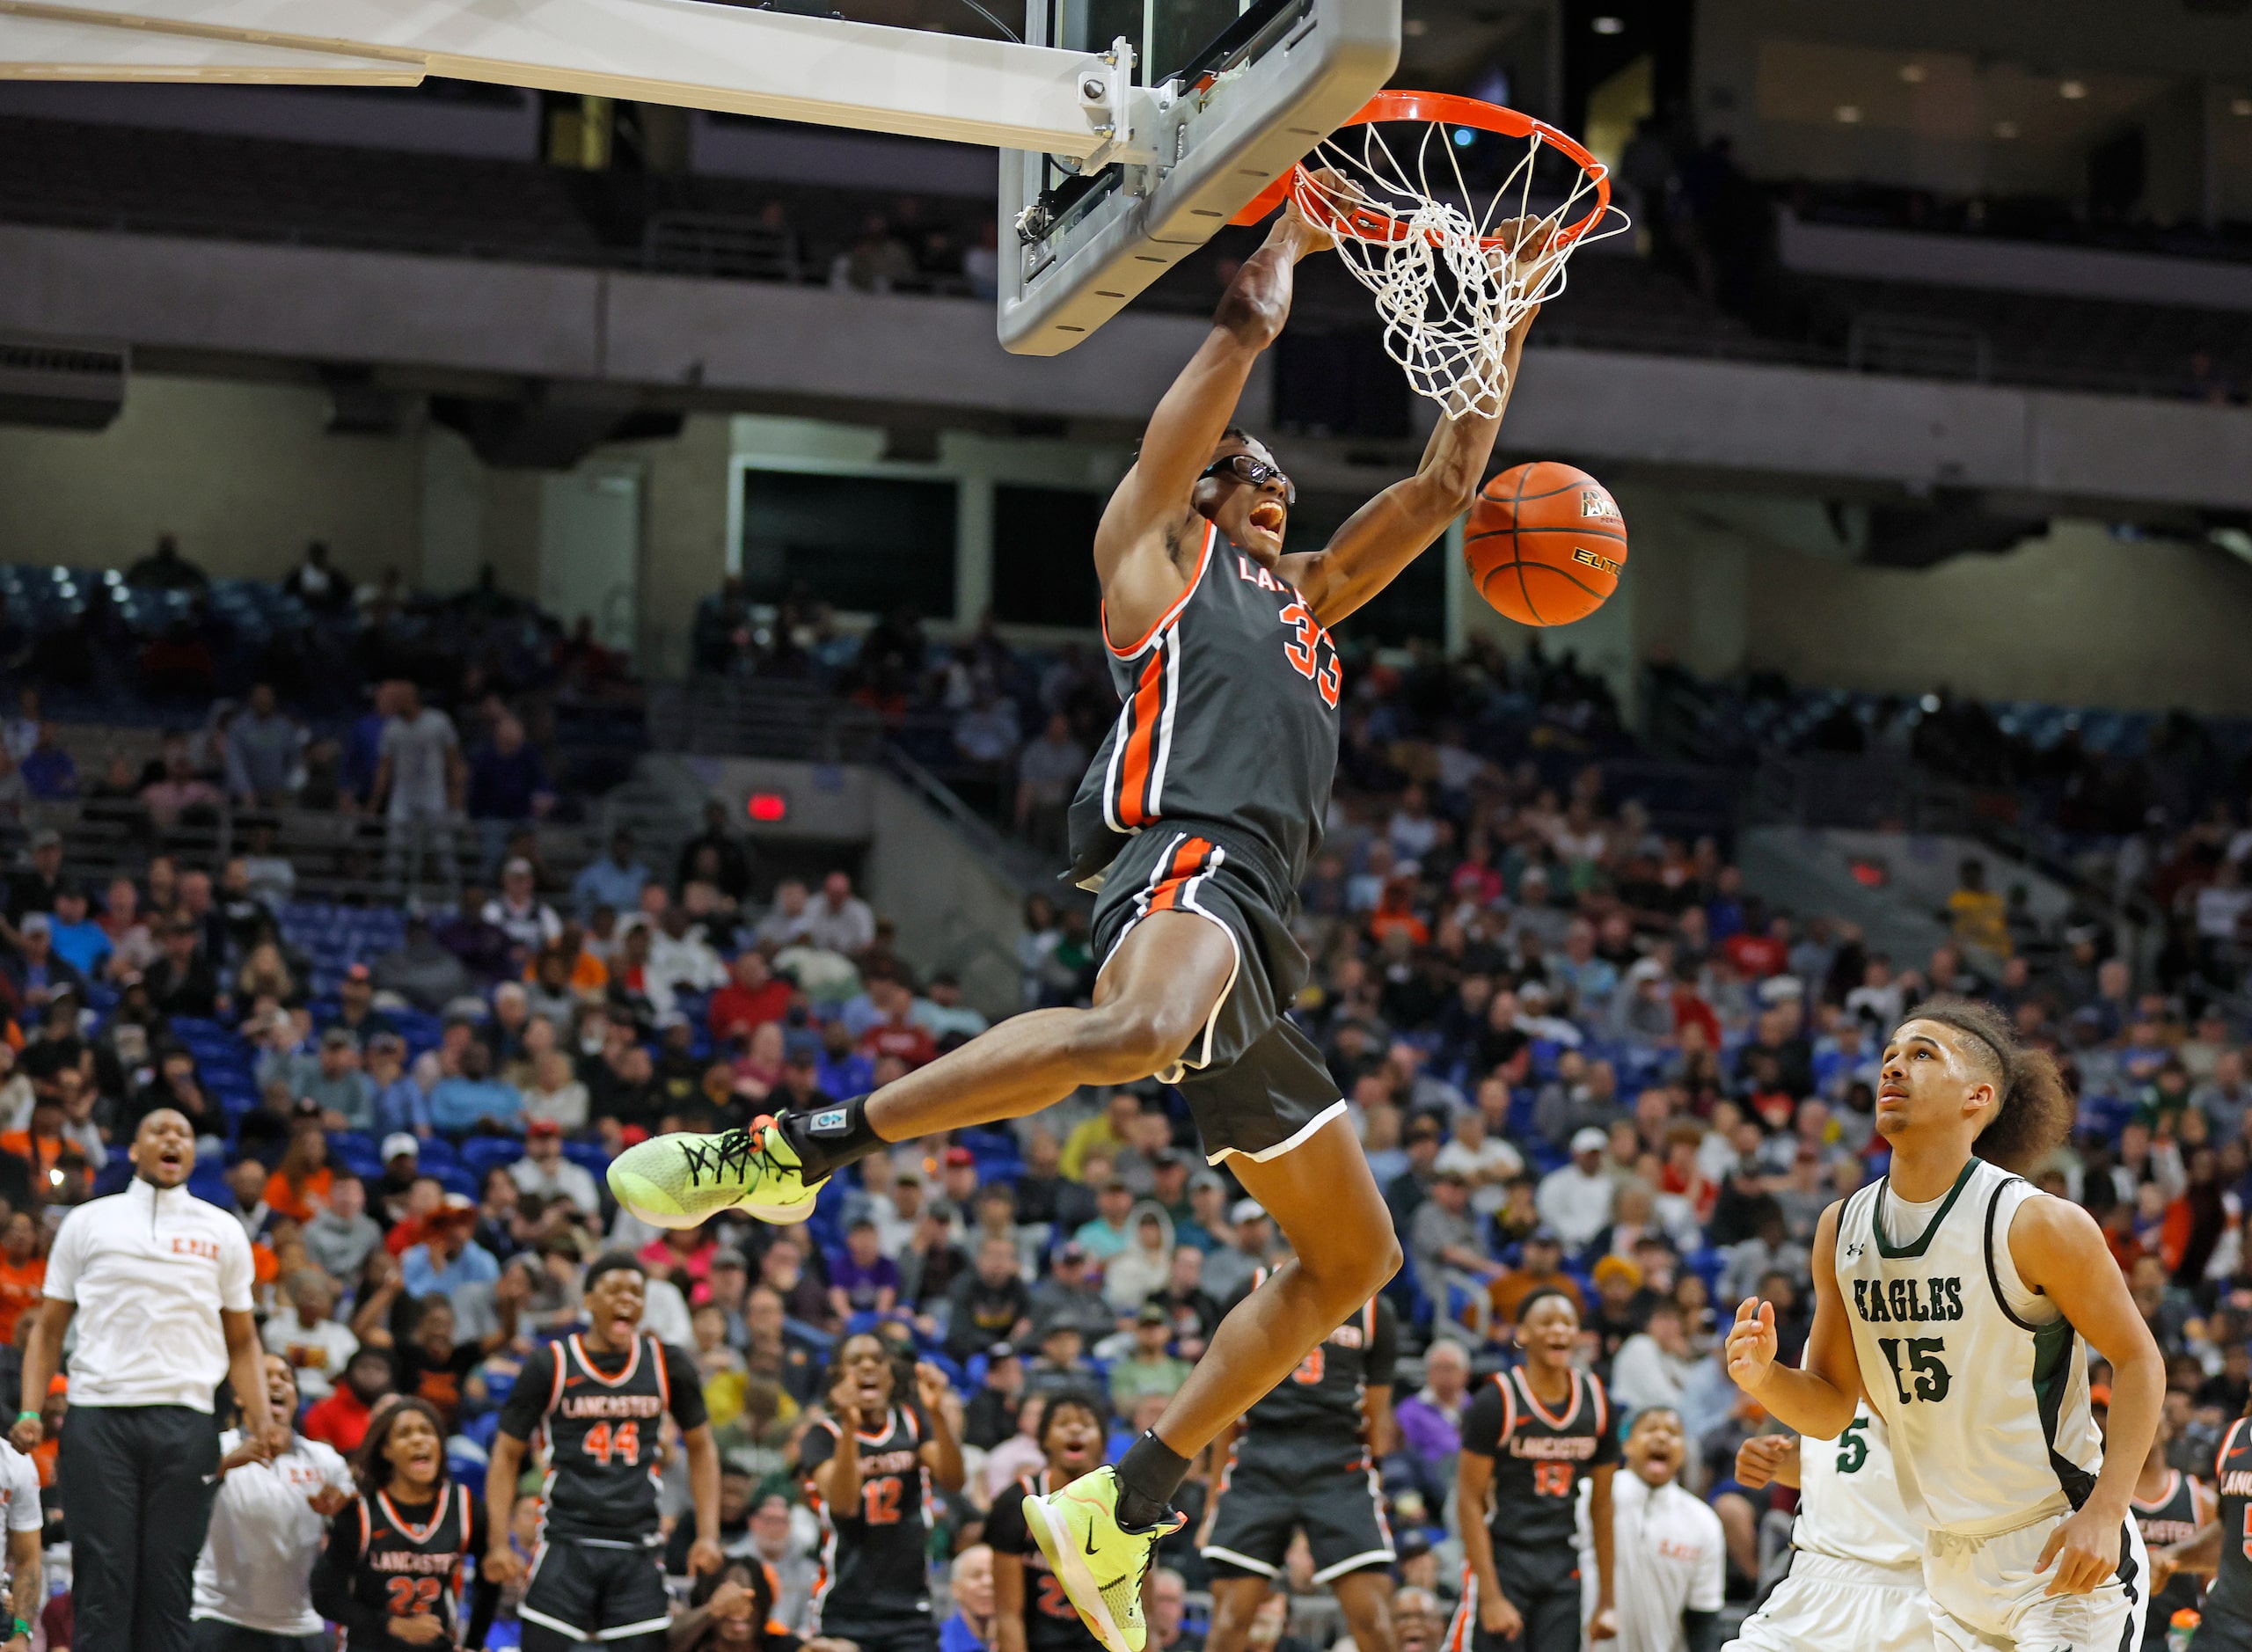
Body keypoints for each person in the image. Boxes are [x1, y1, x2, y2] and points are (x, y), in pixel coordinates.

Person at [610, 186, 1552, 1652]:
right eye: (1254, 478)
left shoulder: (1305, 599)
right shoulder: (1154, 566)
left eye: (1287, 488)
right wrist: (1286, 262)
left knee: (1355, 1265)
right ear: (1200, 492)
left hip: (1257, 930)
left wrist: (1510, 309)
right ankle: (794, 1149)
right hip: (1181, 865)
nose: (1279, 494)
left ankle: (1128, 1497)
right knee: (1132, 1028)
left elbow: (1443, 486)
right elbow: (1238, 329)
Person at [1723, 998, 2165, 1652]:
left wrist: (2105, 1512)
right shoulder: (1841, 1229)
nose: (1895, 1067)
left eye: (1923, 1055)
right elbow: (1828, 1410)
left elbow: (2139, 1360)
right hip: (1948, 1563)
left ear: (1978, 1097)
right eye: (1890, 1056)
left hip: (2059, 1546)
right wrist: (1762, 1378)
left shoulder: (2035, 1223)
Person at [15, 1109, 280, 1652]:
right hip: (98, 1418)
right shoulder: (88, 1222)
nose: (171, 1139)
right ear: (134, 1151)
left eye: (183, 1133)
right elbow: (47, 1331)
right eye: (158, 1130)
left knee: (168, 1581)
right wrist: (30, 1410)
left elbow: (243, 1340)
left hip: (188, 1422)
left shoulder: (222, 1230)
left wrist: (263, 1419)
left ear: (191, 1154)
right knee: (103, 1578)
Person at [486, 1253, 724, 1650]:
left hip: (637, 1543)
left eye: (636, 1292)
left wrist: (709, 1535)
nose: (627, 1299)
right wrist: (497, 1541)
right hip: (566, 1538)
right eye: (615, 1290)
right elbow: (507, 1453)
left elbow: (701, 1448)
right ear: (589, 1300)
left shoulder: (668, 1364)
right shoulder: (552, 1364)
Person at [1200, 1274, 1398, 1652]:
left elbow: (1377, 1415)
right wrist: (1212, 1500)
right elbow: (1219, 1393)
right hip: (1262, 1451)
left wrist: (1377, 1485)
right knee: (1229, 1623)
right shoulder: (1251, 1289)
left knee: (1374, 1620)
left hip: (1338, 1458)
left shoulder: (1374, 1309)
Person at [1451, 1290, 1618, 1652]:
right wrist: (1492, 1597)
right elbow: (1468, 1500)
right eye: (1546, 1322)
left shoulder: (1597, 1402)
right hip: (1505, 1558)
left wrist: (1607, 1600)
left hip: (1562, 1561)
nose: (1558, 1329)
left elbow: (1603, 1506)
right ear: (1522, 1334)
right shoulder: (1496, 1400)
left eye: (1567, 1323)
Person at [799, 1331, 968, 1652]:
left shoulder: (914, 1421)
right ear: (838, 1376)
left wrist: (937, 1414)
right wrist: (850, 1427)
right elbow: (844, 1505)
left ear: (891, 1374)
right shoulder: (822, 1436)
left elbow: (953, 1480)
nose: (867, 1367)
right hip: (845, 1605)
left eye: (877, 1359)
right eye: (855, 1361)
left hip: (909, 1606)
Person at [1724, 1400, 1929, 1652]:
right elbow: (1841, 1455)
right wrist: (1771, 1460)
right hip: (1816, 1570)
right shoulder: (1826, 1373)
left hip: (1913, 1580)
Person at [191, 1353, 356, 1652]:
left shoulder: (325, 1461)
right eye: (264, 1377)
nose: (276, 1383)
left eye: (285, 1377)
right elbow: (176, 1498)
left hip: (301, 1624)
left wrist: (342, 1505)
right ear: (240, 1397)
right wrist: (223, 1465)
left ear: (295, 1398)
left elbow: (357, 1511)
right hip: (219, 1615)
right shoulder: (218, 1449)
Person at [311, 1396, 501, 1650]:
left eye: (427, 1431)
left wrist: (474, 1643)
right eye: (404, 1433)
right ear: (386, 1450)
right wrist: (394, 1625)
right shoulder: (361, 1511)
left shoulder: (465, 1506)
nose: (418, 1439)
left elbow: (489, 1581)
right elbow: (326, 1596)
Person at [1578, 1407, 1722, 1652]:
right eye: (1651, 1429)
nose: (1662, 1437)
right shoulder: (1587, 1496)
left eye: (1673, 1433)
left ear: (1684, 1452)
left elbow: (1703, 1617)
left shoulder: (1703, 1521)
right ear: (1627, 1445)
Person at [988, 1392, 1109, 1652]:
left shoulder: (1124, 1504)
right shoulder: (1017, 1502)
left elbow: (1142, 1615)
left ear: (1103, 1442)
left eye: (1087, 1425)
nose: (1075, 1429)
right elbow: (1008, 1614)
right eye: (1063, 1424)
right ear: (1044, 1440)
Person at [2119, 1410, 2208, 1652]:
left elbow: (2212, 1581)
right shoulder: (2107, 1497)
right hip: (2122, 1634)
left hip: (2180, 1636)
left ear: (2168, 1427)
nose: (2142, 1419)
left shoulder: (2197, 1496)